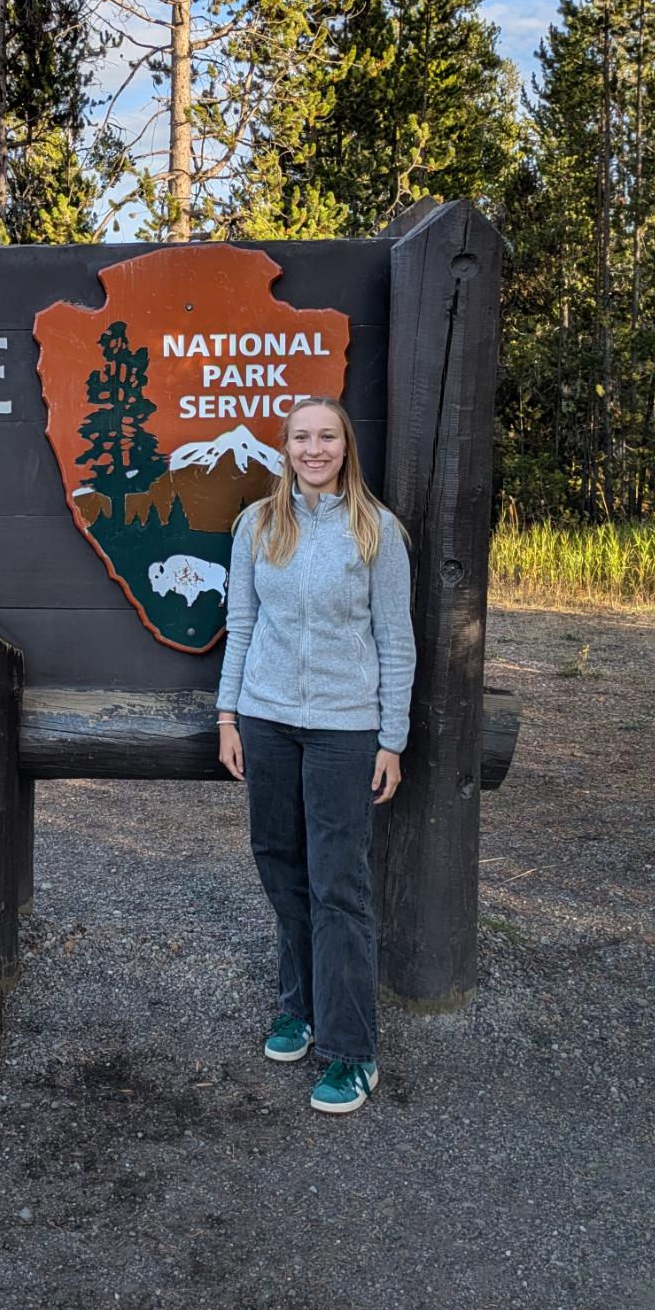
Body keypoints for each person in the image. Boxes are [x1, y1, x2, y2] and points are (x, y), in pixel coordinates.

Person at [216, 396, 415, 1115]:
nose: (314, 448)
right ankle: (297, 1007)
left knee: (339, 885)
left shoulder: (377, 531)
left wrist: (391, 738)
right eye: (302, 437)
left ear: (345, 446)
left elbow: (396, 641)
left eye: (327, 436)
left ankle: (351, 1050)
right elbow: (241, 625)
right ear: (285, 447)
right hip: (266, 722)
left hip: (342, 730)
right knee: (280, 865)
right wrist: (228, 714)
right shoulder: (257, 525)